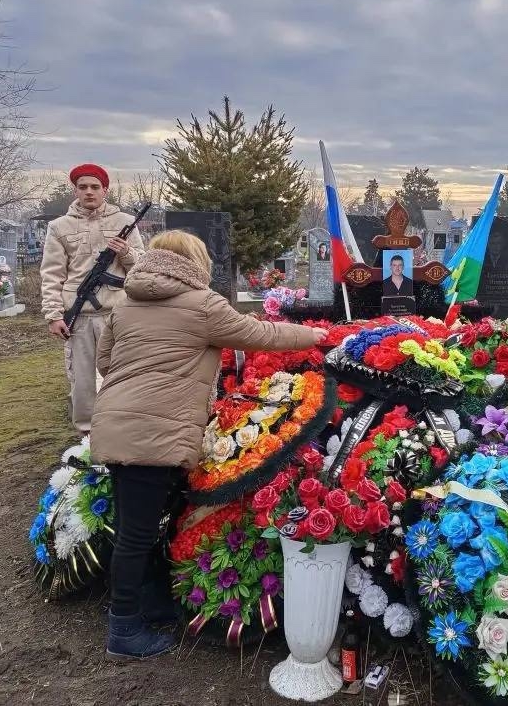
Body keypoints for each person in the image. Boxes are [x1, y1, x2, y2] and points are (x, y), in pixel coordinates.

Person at [90, 230, 328, 660]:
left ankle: (150, 604)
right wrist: (315, 336)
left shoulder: (125, 303)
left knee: (136, 526)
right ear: (195, 262)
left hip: (117, 423)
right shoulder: (202, 305)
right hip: (154, 432)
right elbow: (263, 335)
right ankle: (123, 629)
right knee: (136, 534)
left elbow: (105, 362)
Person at [41, 163, 145, 435]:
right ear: (75, 190)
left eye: (95, 187)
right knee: (83, 379)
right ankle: (87, 433)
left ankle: (125, 427)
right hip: (80, 315)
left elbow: (142, 266)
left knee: (124, 371)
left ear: (105, 190)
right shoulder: (59, 227)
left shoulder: (124, 222)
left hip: (119, 313)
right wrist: (53, 315)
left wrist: (126, 253)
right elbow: (51, 274)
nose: (89, 192)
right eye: (83, 187)